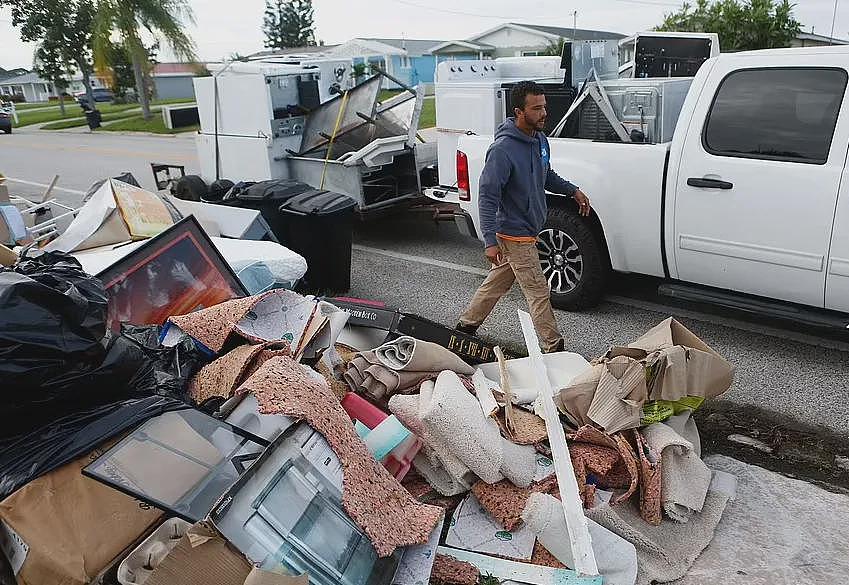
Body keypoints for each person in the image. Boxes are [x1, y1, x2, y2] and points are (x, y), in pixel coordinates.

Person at [456, 80, 591, 353]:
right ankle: (554, 348)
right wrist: (490, 241)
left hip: (529, 229)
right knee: (539, 292)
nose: (544, 113)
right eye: (536, 108)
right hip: (514, 233)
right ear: (519, 111)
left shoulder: (540, 139)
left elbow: (546, 175)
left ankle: (464, 327)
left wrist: (572, 191)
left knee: (497, 283)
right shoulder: (503, 150)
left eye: (544, 107)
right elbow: (488, 195)